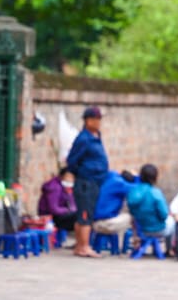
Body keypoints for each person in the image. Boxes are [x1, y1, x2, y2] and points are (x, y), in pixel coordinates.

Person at [65, 105, 109, 258]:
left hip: (96, 181)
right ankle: (84, 247)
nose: (99, 122)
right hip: (86, 181)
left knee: (86, 213)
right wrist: (82, 172)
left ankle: (80, 246)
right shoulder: (84, 138)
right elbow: (72, 160)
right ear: (88, 120)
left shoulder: (97, 136)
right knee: (85, 215)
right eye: (96, 119)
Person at [127, 163, 174, 244]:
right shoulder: (155, 193)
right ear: (155, 177)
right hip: (157, 229)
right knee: (174, 222)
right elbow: (164, 214)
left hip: (139, 230)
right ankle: (170, 250)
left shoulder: (134, 191)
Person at [92, 170, 138, 238]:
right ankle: (138, 242)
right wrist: (137, 177)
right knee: (133, 215)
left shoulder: (109, 179)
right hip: (103, 223)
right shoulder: (119, 183)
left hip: (94, 220)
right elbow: (139, 188)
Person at [37, 167, 77, 232]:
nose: (70, 179)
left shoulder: (65, 187)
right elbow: (54, 209)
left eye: (72, 177)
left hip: (58, 214)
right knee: (79, 219)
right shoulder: (55, 187)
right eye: (68, 177)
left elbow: (72, 204)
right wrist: (68, 210)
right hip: (49, 217)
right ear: (61, 176)